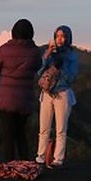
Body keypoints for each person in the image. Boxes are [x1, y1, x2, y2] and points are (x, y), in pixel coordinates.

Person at [0, 19, 42, 161]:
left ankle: (9, 165)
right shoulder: (35, 52)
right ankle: (25, 164)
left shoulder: (4, 50)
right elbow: (38, 66)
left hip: (6, 98)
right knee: (20, 133)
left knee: (8, 135)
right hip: (25, 99)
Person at [35, 25, 78, 169]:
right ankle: (40, 156)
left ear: (68, 38)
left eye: (63, 36)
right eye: (57, 36)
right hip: (47, 93)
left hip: (63, 93)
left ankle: (58, 159)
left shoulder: (72, 56)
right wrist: (47, 56)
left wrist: (61, 66)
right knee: (44, 128)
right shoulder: (49, 53)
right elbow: (39, 72)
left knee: (61, 129)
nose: (60, 39)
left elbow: (71, 78)